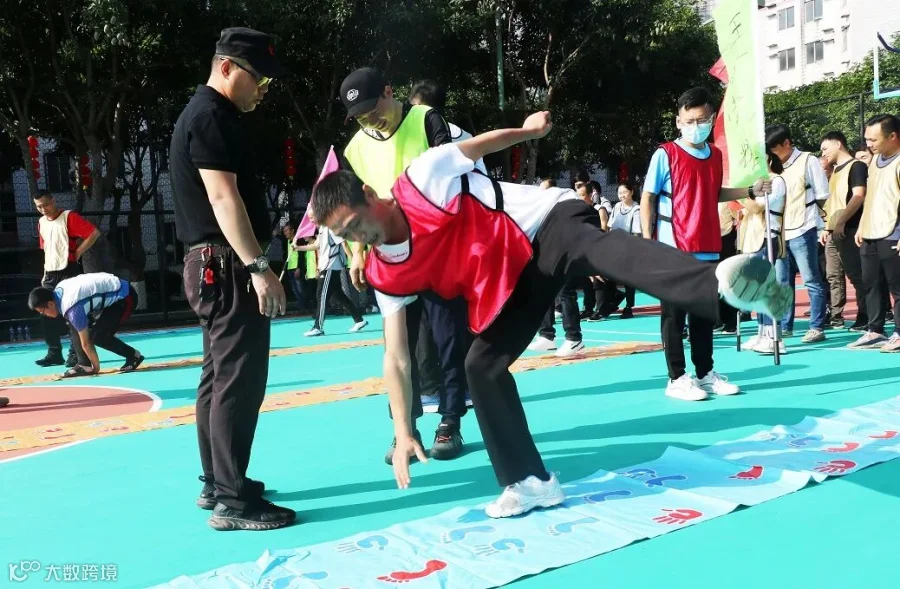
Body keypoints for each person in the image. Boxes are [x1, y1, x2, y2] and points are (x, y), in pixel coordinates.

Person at [310, 111, 791, 518]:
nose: (358, 237)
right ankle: (530, 481)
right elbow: (396, 357)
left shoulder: (421, 178)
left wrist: (527, 132)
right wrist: (402, 429)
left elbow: (477, 147)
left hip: (543, 224)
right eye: (346, 235)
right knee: (481, 366)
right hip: (513, 279)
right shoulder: (386, 271)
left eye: (356, 224)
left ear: (369, 195)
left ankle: (719, 284)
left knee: (595, 246)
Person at [168, 27, 294, 531]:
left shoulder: (203, 114)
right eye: (258, 77)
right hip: (226, 265)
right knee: (238, 381)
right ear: (226, 67)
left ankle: (218, 482)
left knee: (218, 378)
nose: (262, 89)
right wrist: (259, 267)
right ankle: (233, 501)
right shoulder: (211, 117)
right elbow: (224, 199)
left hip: (210, 265)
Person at [341, 67, 469, 462]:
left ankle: (450, 421)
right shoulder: (355, 148)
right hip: (392, 258)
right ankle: (404, 428)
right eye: (360, 117)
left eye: (373, 110)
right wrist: (357, 252)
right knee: (400, 348)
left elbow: (452, 174)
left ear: (389, 91)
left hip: (439, 251)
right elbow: (357, 207)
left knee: (448, 338)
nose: (370, 121)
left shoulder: (427, 120)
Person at [640, 87, 763, 402]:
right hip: (673, 248)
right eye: (689, 121)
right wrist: (647, 243)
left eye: (702, 120)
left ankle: (705, 374)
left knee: (703, 316)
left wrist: (749, 190)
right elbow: (648, 197)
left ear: (711, 118)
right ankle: (676, 378)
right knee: (674, 316)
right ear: (678, 121)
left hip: (708, 246)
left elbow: (713, 191)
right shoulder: (665, 154)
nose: (696, 126)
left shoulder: (715, 155)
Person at [765, 123, 831, 342]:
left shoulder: (808, 160)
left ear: (787, 143)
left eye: (774, 149)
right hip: (779, 232)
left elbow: (822, 194)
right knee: (782, 281)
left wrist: (819, 223)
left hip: (803, 229)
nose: (772, 154)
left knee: (811, 279)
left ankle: (816, 326)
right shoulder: (772, 167)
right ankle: (785, 325)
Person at [27, 272, 144, 377]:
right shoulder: (59, 292)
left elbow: (86, 343)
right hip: (115, 292)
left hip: (125, 296)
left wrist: (96, 367)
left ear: (51, 304)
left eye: (43, 312)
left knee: (97, 336)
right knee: (75, 326)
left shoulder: (72, 308)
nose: (45, 315)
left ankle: (134, 356)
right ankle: (83, 364)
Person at [33, 190, 101, 368]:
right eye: (39, 206)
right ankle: (54, 352)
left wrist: (78, 251)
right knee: (44, 311)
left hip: (68, 270)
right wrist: (45, 274)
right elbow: (47, 249)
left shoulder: (68, 217)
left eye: (46, 204)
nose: (43, 209)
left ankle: (75, 354)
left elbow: (94, 233)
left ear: (53, 201)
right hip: (50, 272)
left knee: (72, 314)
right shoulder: (41, 223)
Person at [851, 114, 900, 352]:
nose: (869, 144)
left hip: (893, 232)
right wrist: (862, 225)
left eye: (873, 139)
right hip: (871, 232)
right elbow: (870, 196)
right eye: (867, 139)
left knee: (897, 287)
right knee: (871, 283)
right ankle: (875, 330)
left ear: (893, 136)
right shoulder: (875, 161)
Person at [740, 150, 788, 355]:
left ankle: (774, 335)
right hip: (753, 238)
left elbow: (757, 207)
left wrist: (741, 194)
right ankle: (762, 332)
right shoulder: (756, 184)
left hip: (768, 236)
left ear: (767, 158)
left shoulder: (776, 181)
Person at [820, 131, 869, 331]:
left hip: (850, 229)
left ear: (838, 144)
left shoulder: (856, 166)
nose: (823, 153)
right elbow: (833, 201)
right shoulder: (834, 171)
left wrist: (841, 222)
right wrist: (827, 227)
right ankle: (835, 316)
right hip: (833, 231)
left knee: (857, 275)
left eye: (825, 148)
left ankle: (866, 316)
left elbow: (859, 195)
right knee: (833, 275)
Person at [295, 225, 367, 336]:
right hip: (327, 266)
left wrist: (352, 261)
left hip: (330, 266)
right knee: (338, 295)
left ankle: (318, 327)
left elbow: (343, 243)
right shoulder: (322, 228)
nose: (312, 221)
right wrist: (298, 248)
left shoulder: (332, 227)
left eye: (312, 217)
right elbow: (316, 245)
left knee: (321, 295)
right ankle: (359, 320)